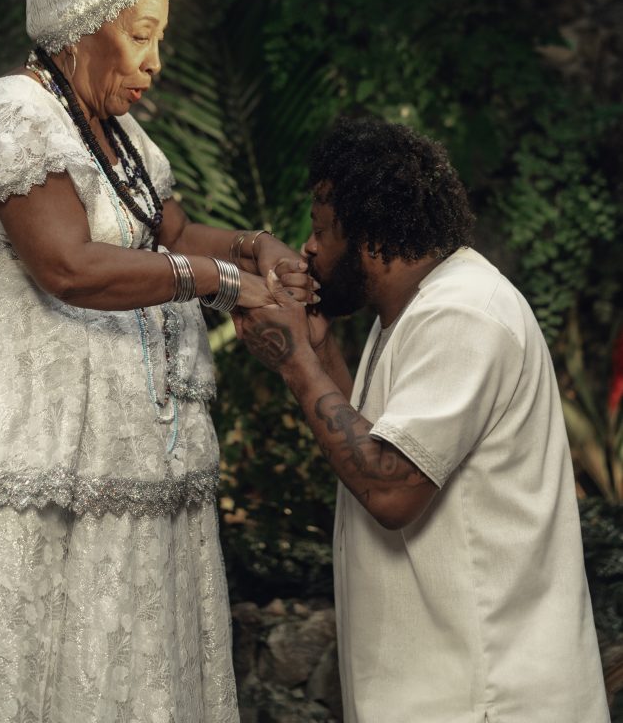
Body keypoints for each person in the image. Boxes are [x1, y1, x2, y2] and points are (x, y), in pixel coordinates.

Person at [0, 0, 316, 723]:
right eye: (140, 35)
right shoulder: (17, 116)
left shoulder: (121, 137)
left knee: (121, 630)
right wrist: (219, 282)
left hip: (125, 449)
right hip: (34, 442)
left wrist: (252, 248)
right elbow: (67, 267)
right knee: (34, 624)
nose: (154, 60)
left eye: (159, 37)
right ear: (81, 25)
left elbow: (166, 232)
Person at [234, 116, 610, 723]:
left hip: (488, 694)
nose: (307, 248)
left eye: (322, 231)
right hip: (445, 685)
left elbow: (389, 488)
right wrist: (318, 348)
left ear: (372, 236)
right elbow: (373, 437)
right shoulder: (414, 311)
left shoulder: (465, 316)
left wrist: (297, 360)